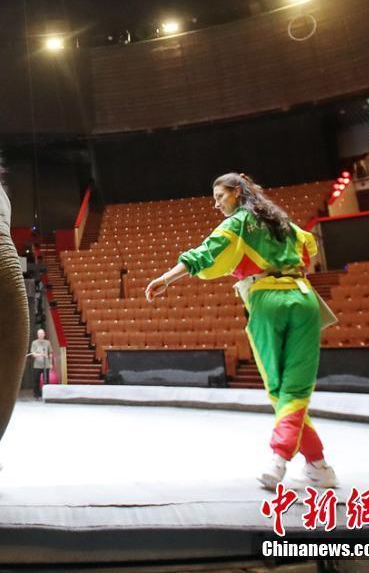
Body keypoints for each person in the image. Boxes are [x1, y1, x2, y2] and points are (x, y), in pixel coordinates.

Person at [145, 172, 338, 490]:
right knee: (297, 386)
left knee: (281, 389)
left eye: (220, 196)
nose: (217, 204)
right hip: (304, 299)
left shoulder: (238, 223)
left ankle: (279, 460)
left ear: (237, 192)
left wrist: (166, 278)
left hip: (268, 301)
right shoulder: (281, 222)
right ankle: (320, 466)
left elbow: (205, 253)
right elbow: (309, 248)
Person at [30, 328, 54, 399]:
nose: (40, 335)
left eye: (42, 334)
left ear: (44, 334)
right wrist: (41, 355)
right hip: (37, 365)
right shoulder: (34, 342)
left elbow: (50, 353)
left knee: (46, 380)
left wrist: (50, 363)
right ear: (37, 335)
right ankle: (36, 394)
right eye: (39, 334)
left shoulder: (47, 342)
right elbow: (33, 354)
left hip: (46, 365)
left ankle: (46, 394)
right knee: (36, 380)